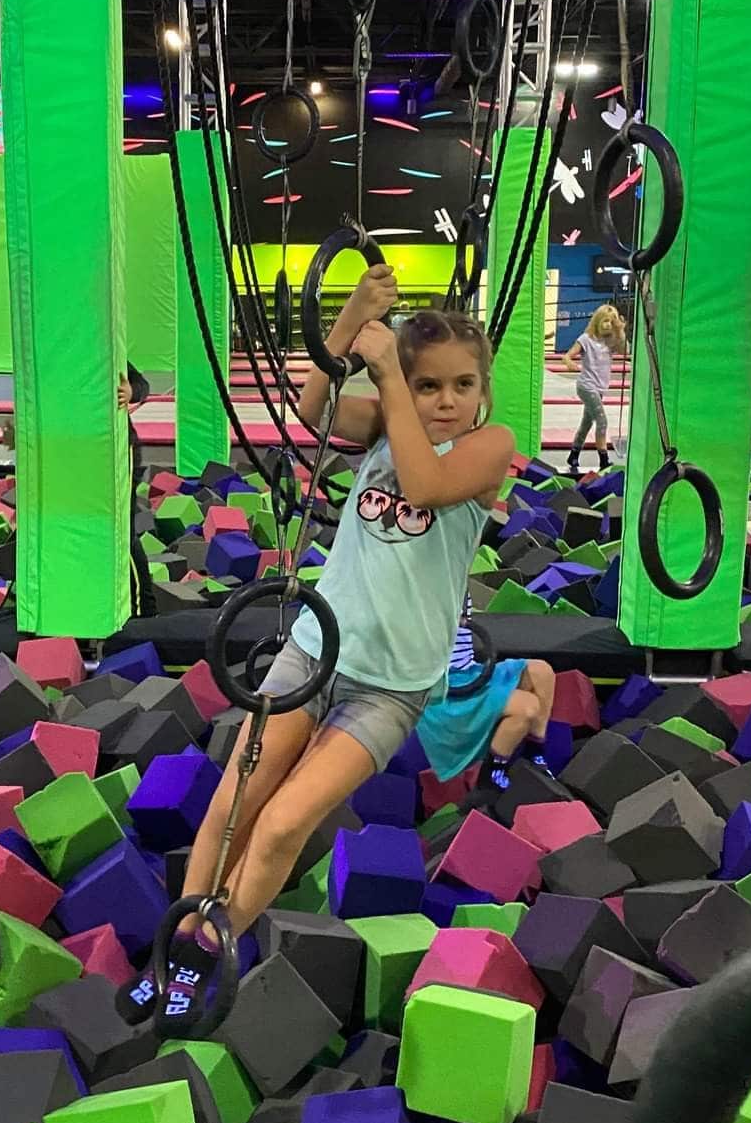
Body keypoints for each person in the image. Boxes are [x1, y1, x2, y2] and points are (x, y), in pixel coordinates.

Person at [123, 266, 513, 1033]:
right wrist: (352, 324)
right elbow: (312, 410)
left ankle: (207, 944)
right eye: (429, 385)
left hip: (389, 689)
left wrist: (392, 373)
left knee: (279, 826)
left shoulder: (488, 447)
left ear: (484, 391)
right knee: (234, 802)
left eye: (461, 385)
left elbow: (426, 485)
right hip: (314, 652)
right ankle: (171, 953)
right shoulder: (383, 423)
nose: (445, 400)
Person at [418, 611, 557, 794]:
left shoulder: (455, 585)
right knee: (527, 707)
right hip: (443, 689)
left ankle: (534, 752)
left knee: (542, 672)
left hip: (470, 673)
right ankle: (490, 778)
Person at [562, 304, 626, 476]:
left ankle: (573, 455)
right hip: (586, 386)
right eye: (605, 321)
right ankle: (604, 460)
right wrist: (569, 363)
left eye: (611, 322)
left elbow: (625, 350)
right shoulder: (585, 339)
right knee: (602, 421)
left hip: (599, 388)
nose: (608, 325)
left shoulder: (610, 342)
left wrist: (620, 331)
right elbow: (567, 355)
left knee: (586, 423)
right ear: (597, 321)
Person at [120, 361, 155, 620]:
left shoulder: (105, 347)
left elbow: (143, 385)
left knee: (124, 533)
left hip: (122, 452)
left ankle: (145, 609)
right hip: (82, 455)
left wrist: (132, 392)